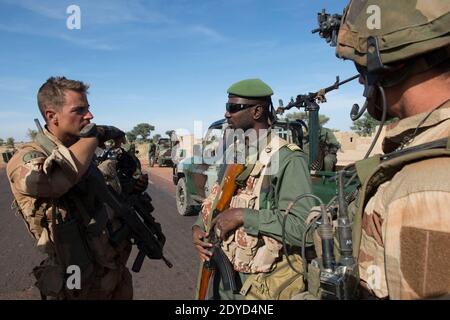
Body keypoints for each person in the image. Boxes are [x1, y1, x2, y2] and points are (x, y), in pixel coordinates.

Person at [332, 0, 450, 299]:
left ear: (391, 65)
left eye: (361, 66)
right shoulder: (421, 148)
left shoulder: (423, 188)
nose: (360, 79)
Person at [6, 76, 134, 299]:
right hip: (75, 278)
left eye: (89, 108)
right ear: (52, 116)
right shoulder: (27, 158)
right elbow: (56, 182)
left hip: (111, 271)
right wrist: (96, 134)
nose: (90, 116)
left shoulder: (82, 149)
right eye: (79, 110)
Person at [192, 79, 315, 300]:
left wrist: (242, 216)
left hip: (260, 286)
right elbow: (216, 200)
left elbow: (303, 229)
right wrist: (198, 228)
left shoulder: (288, 159)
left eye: (233, 108)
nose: (227, 114)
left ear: (257, 111)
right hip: (224, 276)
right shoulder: (236, 152)